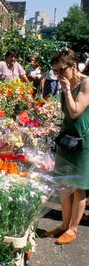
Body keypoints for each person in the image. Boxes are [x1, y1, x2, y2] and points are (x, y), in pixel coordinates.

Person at [47, 49, 89, 245]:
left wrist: (65, 90)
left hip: (82, 143)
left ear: (73, 66)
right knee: (64, 184)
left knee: (79, 188)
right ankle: (64, 225)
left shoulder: (86, 84)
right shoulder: (67, 83)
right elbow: (65, 117)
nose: (59, 75)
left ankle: (73, 229)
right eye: (55, 71)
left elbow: (74, 112)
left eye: (61, 70)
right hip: (66, 140)